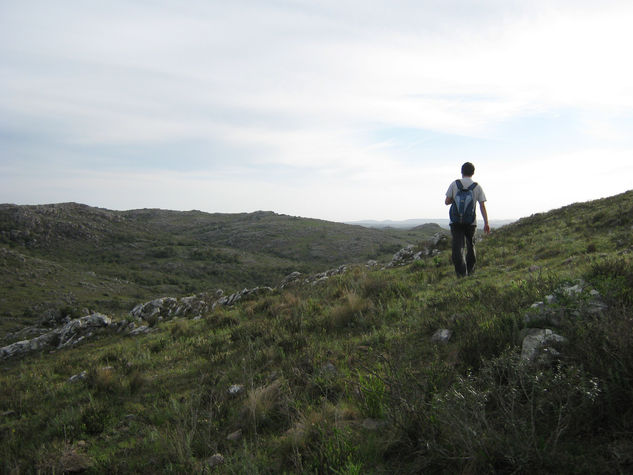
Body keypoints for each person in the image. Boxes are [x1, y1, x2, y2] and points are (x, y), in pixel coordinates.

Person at [444, 162, 490, 277]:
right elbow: (482, 205)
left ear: (461, 172)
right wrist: (486, 223)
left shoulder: (455, 184)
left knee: (458, 248)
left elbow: (447, 202)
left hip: (455, 222)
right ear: (473, 173)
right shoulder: (477, 187)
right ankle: (470, 271)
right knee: (471, 246)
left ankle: (461, 274)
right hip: (471, 222)